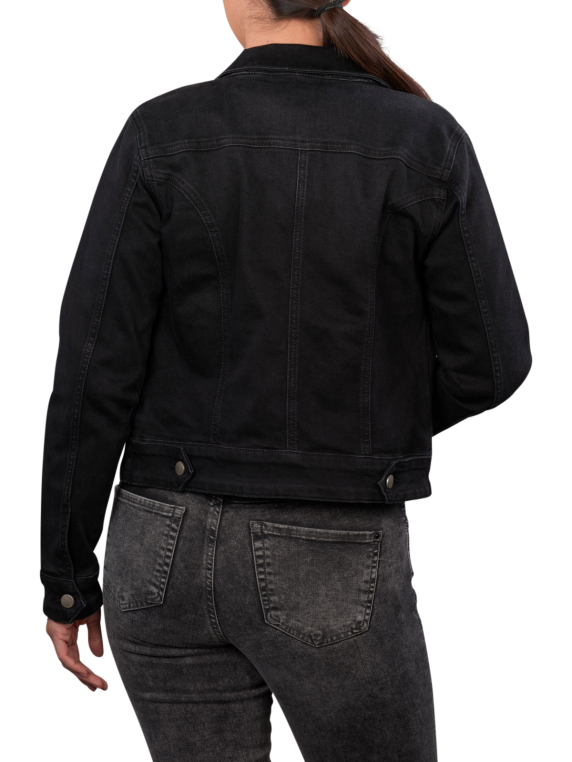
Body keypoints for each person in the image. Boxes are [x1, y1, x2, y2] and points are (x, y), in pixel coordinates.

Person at [41, 1, 532, 760]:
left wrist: (68, 577)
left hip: (158, 545)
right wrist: (358, 430)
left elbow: (91, 371)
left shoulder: (160, 131)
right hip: (332, 548)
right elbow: (494, 365)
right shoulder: (425, 137)